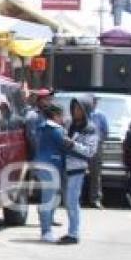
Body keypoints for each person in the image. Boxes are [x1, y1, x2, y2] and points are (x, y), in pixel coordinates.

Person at [61, 97, 99, 245]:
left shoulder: (90, 128)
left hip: (77, 168)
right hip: (65, 167)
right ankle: (72, 231)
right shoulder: (70, 125)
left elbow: (90, 151)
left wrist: (73, 145)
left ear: (85, 110)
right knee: (68, 202)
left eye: (79, 108)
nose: (76, 111)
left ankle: (74, 234)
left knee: (72, 202)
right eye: (74, 108)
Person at [34, 104, 67, 243]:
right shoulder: (57, 130)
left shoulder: (41, 127)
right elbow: (65, 147)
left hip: (41, 165)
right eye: (61, 116)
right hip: (51, 166)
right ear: (55, 116)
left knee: (47, 199)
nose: (63, 119)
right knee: (49, 200)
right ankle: (46, 232)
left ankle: (46, 229)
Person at [86, 96, 109, 209]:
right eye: (92, 101)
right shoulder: (82, 114)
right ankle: (77, 198)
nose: (94, 103)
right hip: (82, 146)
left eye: (95, 101)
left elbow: (105, 132)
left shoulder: (101, 115)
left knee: (95, 174)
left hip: (96, 146)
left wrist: (99, 142)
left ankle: (95, 199)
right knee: (78, 172)